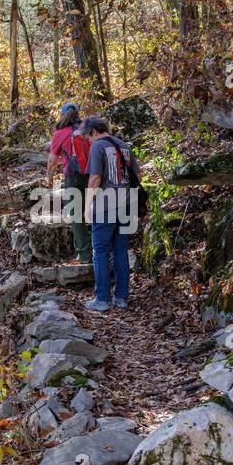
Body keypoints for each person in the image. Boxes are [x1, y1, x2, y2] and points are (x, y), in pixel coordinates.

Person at [81, 115, 140, 311]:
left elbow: (95, 178)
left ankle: (102, 300)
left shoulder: (98, 146)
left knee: (100, 252)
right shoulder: (124, 145)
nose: (89, 141)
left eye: (88, 137)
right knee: (120, 250)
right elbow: (137, 175)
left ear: (93, 132)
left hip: (105, 206)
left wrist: (87, 206)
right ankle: (121, 297)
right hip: (127, 204)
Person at [46, 102, 92, 264]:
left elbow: (53, 160)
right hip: (92, 174)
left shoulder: (60, 133)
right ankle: (102, 250)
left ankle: (85, 254)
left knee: (76, 215)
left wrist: (49, 176)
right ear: (77, 114)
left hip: (72, 177)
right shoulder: (87, 128)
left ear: (62, 115)